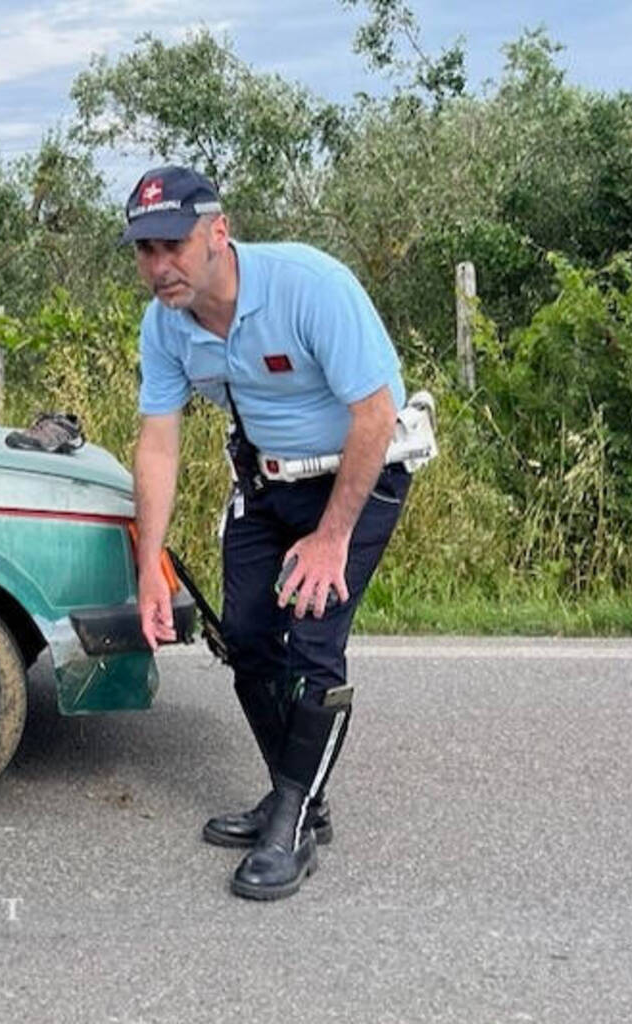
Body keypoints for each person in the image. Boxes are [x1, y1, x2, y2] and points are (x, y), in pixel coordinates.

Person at [125, 166, 411, 901]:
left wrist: (330, 537)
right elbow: (159, 441)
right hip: (266, 481)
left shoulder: (309, 285)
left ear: (217, 232)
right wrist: (148, 561)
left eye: (173, 245)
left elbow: (375, 417)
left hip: (358, 477)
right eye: (143, 251)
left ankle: (290, 821)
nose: (159, 267)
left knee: (314, 643)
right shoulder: (166, 324)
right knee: (247, 639)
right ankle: (298, 795)